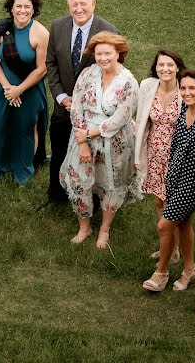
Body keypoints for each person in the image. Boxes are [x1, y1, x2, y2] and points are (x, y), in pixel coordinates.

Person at [59, 31, 140, 249]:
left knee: (111, 184)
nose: (102, 58)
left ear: (118, 53)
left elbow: (120, 119)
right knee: (78, 181)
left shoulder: (129, 83)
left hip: (115, 141)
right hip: (82, 136)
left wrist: (90, 133)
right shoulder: (87, 74)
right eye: (98, 54)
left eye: (107, 53)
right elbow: (76, 106)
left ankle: (104, 229)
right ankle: (85, 227)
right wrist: (83, 141)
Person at [143, 69, 195, 292]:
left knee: (164, 225)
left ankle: (161, 272)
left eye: (192, 88)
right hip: (174, 175)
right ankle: (189, 269)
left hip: (193, 181)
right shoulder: (183, 108)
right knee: (182, 223)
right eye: (183, 88)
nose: (187, 92)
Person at [46, 0, 118, 203]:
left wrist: (84, 103)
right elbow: (51, 63)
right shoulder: (58, 27)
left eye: (83, 3)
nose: (79, 9)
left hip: (92, 113)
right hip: (63, 107)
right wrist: (61, 97)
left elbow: (112, 73)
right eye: (74, 4)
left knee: (92, 158)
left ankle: (93, 201)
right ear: (68, 6)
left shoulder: (108, 30)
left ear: (93, 4)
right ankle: (56, 195)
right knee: (59, 151)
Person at [0, 0, 49, 185]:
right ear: (11, 9)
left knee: (24, 129)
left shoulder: (41, 33)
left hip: (30, 88)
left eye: (27, 7)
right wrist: (7, 87)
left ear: (33, 10)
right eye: (18, 6)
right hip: (3, 87)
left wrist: (19, 90)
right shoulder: (0, 28)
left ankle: (23, 171)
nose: (22, 10)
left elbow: (42, 69)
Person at [135, 49, 185, 261]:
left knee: (174, 204)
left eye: (170, 65)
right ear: (156, 68)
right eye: (161, 65)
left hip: (177, 156)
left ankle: (180, 249)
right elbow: (141, 122)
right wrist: (138, 156)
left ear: (178, 68)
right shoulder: (147, 86)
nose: (165, 69)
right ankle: (169, 249)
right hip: (154, 154)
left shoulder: (185, 89)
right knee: (158, 202)